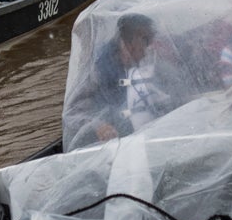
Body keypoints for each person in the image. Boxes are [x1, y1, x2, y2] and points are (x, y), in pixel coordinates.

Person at [65, 14, 179, 146]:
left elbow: (174, 90)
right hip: (115, 144)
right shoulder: (98, 71)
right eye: (146, 41)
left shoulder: (149, 65)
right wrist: (99, 126)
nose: (149, 48)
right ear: (128, 43)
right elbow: (72, 113)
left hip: (150, 136)